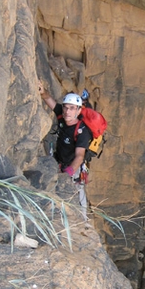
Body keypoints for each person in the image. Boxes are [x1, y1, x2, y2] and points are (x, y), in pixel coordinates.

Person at [38, 80, 91, 217]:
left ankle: (83, 221)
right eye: (66, 107)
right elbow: (48, 99)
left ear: (79, 110)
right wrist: (43, 91)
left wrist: (69, 172)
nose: (68, 111)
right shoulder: (62, 116)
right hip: (59, 163)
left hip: (73, 168)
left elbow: (80, 155)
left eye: (72, 108)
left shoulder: (82, 131)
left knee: (77, 193)